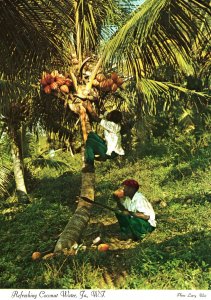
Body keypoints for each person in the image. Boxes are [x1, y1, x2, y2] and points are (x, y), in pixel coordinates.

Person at [82, 101, 125, 171]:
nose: (108, 114)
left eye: (109, 114)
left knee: (89, 142)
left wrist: (88, 107)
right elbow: (104, 111)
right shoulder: (113, 121)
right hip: (108, 146)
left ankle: (90, 164)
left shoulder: (111, 125)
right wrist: (96, 100)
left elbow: (95, 117)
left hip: (112, 152)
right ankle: (99, 155)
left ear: (111, 118)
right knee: (91, 135)